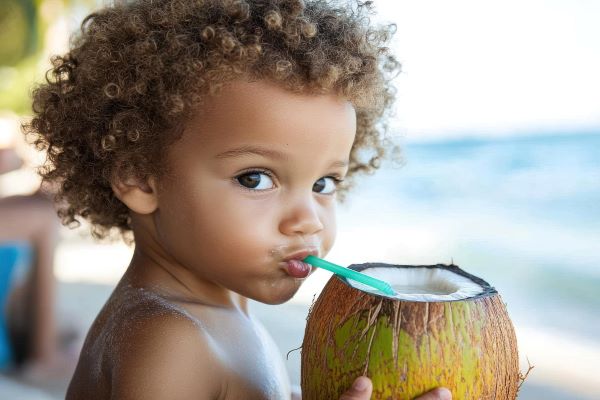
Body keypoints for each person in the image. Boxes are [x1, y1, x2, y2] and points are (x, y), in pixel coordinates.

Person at [23, 0, 452, 399]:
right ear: (140, 179)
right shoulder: (169, 340)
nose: (308, 221)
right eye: (255, 178)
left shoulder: (214, 315)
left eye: (323, 184)